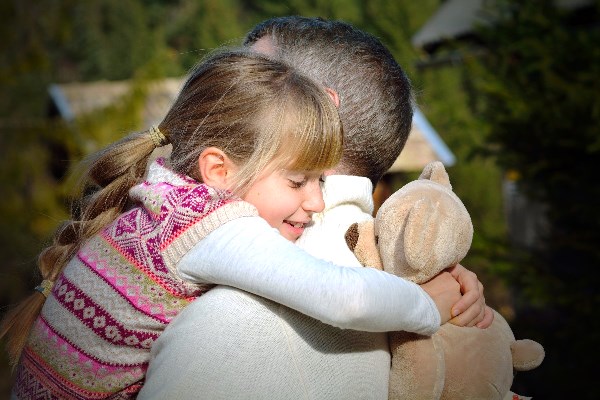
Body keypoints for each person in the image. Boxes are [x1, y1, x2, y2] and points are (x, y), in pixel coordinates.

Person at [3, 49, 460, 400]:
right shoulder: (208, 227)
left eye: (320, 180)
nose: (317, 201)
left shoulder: (164, 197)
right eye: (299, 180)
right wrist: (427, 306)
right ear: (219, 171)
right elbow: (344, 296)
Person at [139, 17, 492, 400]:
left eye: (254, 77)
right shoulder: (412, 281)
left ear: (320, 110)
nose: (223, 94)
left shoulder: (230, 323)